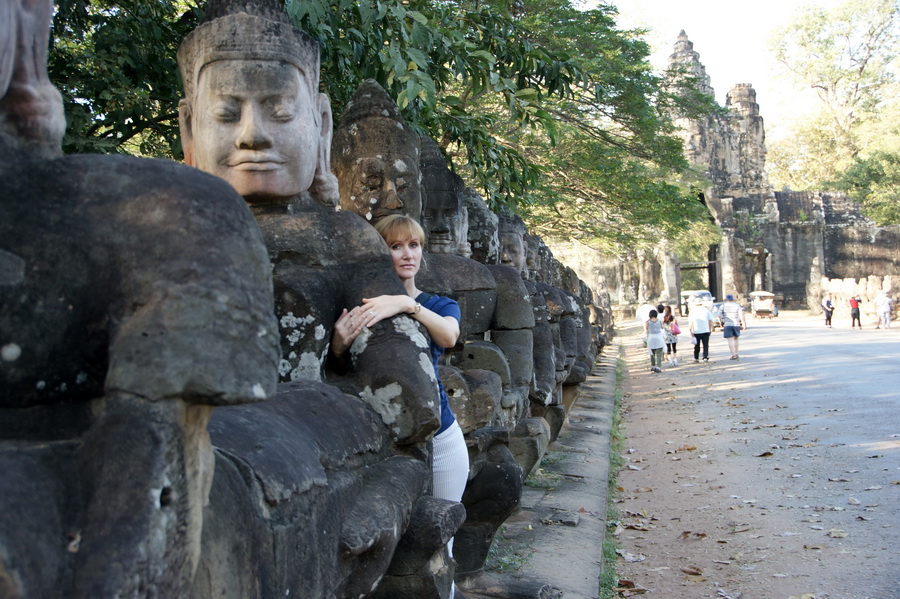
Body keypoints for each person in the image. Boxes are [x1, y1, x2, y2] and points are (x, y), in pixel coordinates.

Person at [331, 214, 470, 597]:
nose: (407, 254)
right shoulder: (363, 304)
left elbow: (449, 336)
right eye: (395, 246)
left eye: (414, 245)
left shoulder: (439, 304)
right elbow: (341, 372)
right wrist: (339, 346)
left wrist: (405, 305)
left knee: (439, 543)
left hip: (440, 436)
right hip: (378, 443)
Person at [720, 294, 747, 360]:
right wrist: (743, 323)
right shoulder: (737, 305)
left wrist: (722, 321)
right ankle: (736, 353)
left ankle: (733, 354)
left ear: (726, 299)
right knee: (736, 338)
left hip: (727, 324)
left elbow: (719, 315)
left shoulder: (723, 306)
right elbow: (741, 315)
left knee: (730, 340)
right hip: (736, 324)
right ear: (733, 299)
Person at [688, 297, 714, 363]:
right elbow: (710, 320)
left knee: (697, 345)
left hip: (696, 330)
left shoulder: (692, 311)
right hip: (705, 329)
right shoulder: (706, 310)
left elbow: (691, 322)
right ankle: (705, 357)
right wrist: (711, 328)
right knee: (705, 345)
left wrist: (690, 330)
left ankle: (696, 357)